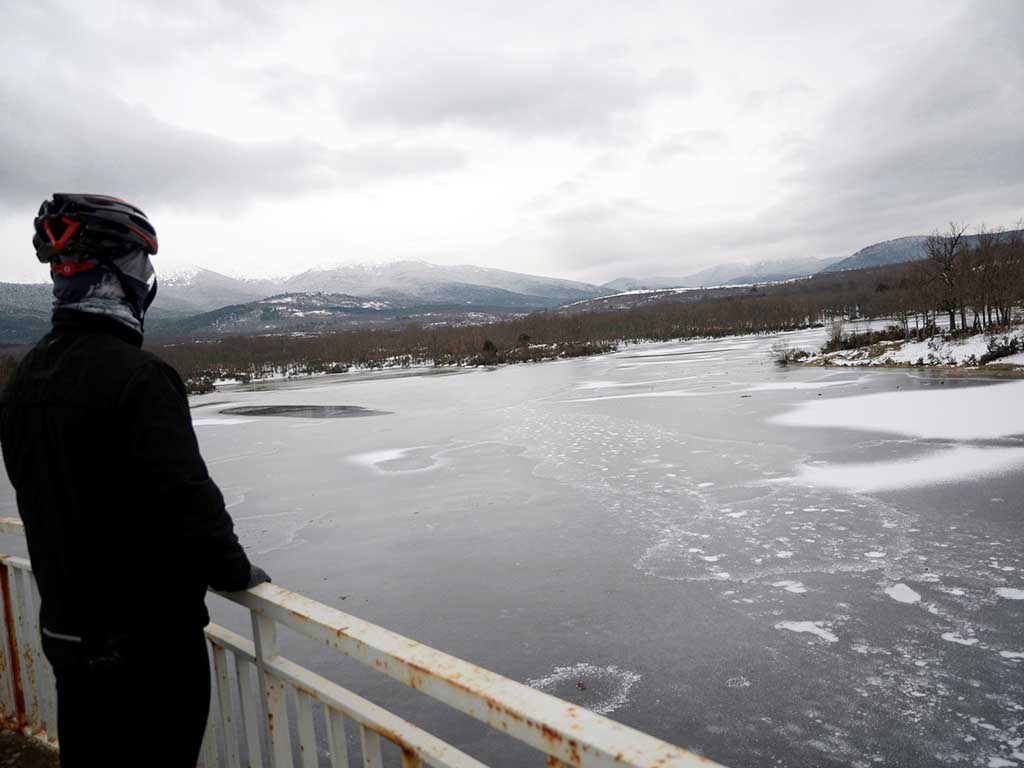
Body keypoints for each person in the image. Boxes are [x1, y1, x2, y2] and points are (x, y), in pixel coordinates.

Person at [0, 194, 270, 767]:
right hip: (148, 648)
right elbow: (187, 497)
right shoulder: (140, 377)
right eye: (143, 268)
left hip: (68, 637)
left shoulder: (25, 379)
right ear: (124, 277)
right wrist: (233, 569)